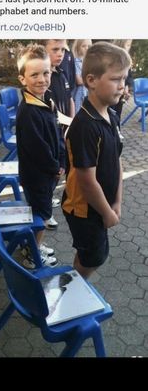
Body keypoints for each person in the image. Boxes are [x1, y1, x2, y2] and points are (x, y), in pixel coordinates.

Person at [62, 41, 132, 278]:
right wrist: (106, 212)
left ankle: (75, 288)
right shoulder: (85, 126)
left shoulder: (111, 115)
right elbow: (87, 181)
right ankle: (74, 297)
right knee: (93, 257)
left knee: (89, 253)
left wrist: (117, 202)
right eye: (115, 79)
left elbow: (117, 160)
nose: (122, 86)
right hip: (84, 210)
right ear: (91, 81)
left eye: (124, 79)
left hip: (101, 206)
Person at [16, 43, 66, 269]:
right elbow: (38, 149)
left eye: (45, 73)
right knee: (42, 215)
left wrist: (62, 160)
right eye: (34, 74)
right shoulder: (28, 111)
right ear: (23, 79)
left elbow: (56, 136)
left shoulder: (47, 100)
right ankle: (32, 255)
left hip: (48, 173)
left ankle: (33, 245)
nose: (41, 79)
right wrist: (55, 166)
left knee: (40, 212)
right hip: (37, 176)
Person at [42, 39, 75, 228]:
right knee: (51, 169)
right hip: (52, 133)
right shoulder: (45, 78)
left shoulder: (61, 73)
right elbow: (51, 109)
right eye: (55, 49)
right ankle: (44, 210)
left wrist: (72, 120)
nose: (60, 53)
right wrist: (69, 122)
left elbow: (69, 98)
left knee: (59, 168)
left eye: (62, 49)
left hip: (65, 129)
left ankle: (49, 197)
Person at [111, 39, 133, 120]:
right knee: (111, 112)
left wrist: (127, 86)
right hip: (113, 92)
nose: (129, 48)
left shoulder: (127, 60)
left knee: (118, 114)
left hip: (121, 94)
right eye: (127, 45)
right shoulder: (112, 60)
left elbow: (129, 76)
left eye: (129, 45)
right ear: (120, 45)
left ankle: (117, 130)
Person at [72, 39, 92, 113]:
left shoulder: (89, 62)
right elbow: (79, 81)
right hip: (79, 93)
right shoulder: (75, 61)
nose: (87, 48)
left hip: (87, 92)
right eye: (83, 46)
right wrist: (91, 80)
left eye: (89, 46)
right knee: (78, 112)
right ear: (78, 47)